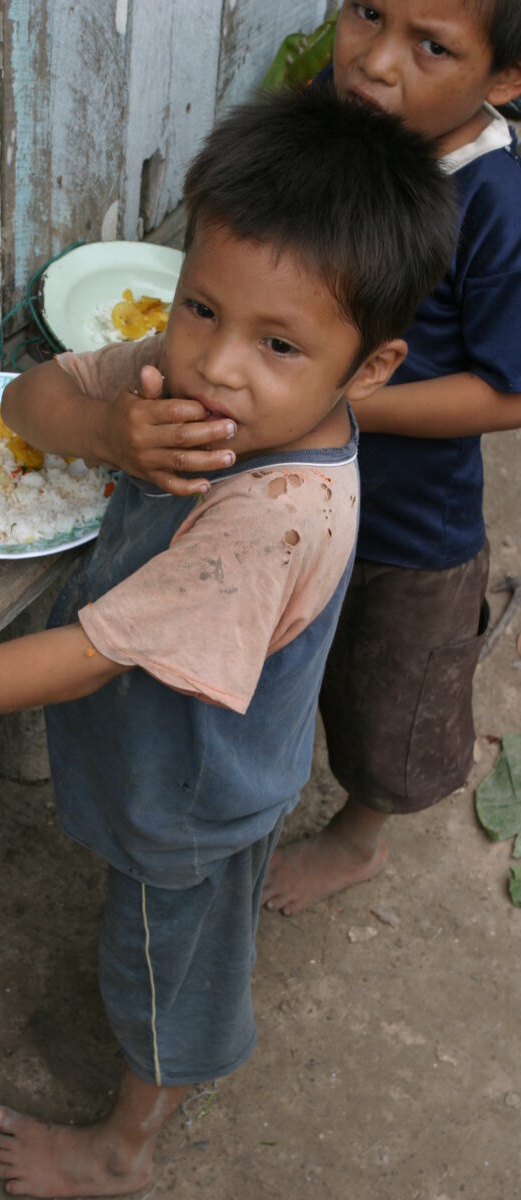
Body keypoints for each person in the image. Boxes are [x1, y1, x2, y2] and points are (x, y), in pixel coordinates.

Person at [0, 88, 456, 1198]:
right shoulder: (179, 381)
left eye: (278, 343)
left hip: (193, 797)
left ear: (367, 368)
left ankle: (123, 1146)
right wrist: (109, 424)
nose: (216, 366)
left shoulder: (277, 514)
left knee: (169, 971)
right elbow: (33, 404)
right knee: (153, 929)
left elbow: (89, 651)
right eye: (198, 310)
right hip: (147, 753)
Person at [261, 0, 521, 914]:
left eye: (432, 47)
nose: (375, 61)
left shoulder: (491, 202)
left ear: (504, 81)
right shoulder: (338, 124)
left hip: (407, 526)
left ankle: (356, 838)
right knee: (287, 656)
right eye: (368, 13)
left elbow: (509, 391)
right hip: (288, 486)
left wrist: (350, 402)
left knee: (391, 697)